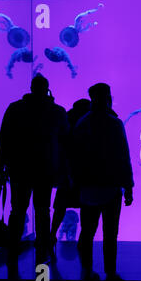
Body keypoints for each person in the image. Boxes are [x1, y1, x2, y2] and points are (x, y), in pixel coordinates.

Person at [0, 74, 69, 264]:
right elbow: (65, 143)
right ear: (47, 89)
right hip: (45, 169)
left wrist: (0, 167)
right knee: (43, 210)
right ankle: (42, 250)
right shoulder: (57, 112)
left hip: (19, 169)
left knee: (18, 210)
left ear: (31, 88)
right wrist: (64, 170)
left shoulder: (15, 109)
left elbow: (3, 139)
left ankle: (13, 250)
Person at [72, 83, 133, 281]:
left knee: (87, 232)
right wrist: (128, 186)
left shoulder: (82, 123)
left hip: (88, 187)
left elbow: (74, 157)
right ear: (108, 98)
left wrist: (76, 183)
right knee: (110, 233)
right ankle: (111, 274)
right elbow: (124, 156)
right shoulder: (115, 124)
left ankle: (87, 272)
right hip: (111, 186)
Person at [50, 99, 90, 254]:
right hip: (83, 173)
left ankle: (52, 236)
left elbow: (61, 149)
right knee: (87, 207)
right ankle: (83, 239)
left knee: (60, 207)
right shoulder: (87, 123)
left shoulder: (66, 121)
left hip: (66, 174)